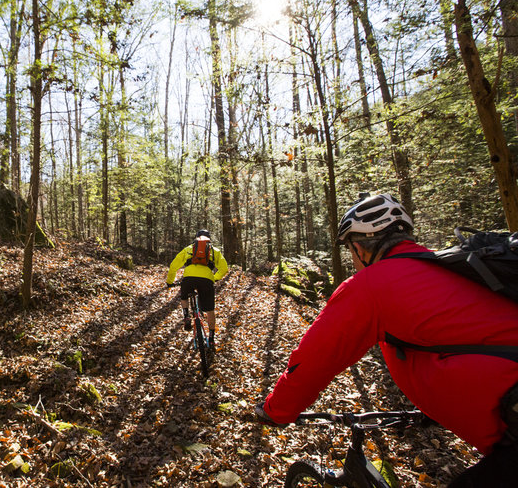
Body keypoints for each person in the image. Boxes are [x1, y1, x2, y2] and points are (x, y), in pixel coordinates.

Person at [254, 193, 518, 487]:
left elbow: (312, 361)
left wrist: (275, 410)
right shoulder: (448, 268)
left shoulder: (371, 285)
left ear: (358, 248)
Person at [166, 229, 229, 347]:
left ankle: (186, 316)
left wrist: (170, 282)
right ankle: (211, 338)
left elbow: (174, 265)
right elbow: (224, 268)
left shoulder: (189, 249)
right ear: (209, 239)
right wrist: (214, 278)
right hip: (206, 281)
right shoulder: (214, 251)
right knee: (210, 310)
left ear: (196, 238)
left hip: (189, 278)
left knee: (184, 296)